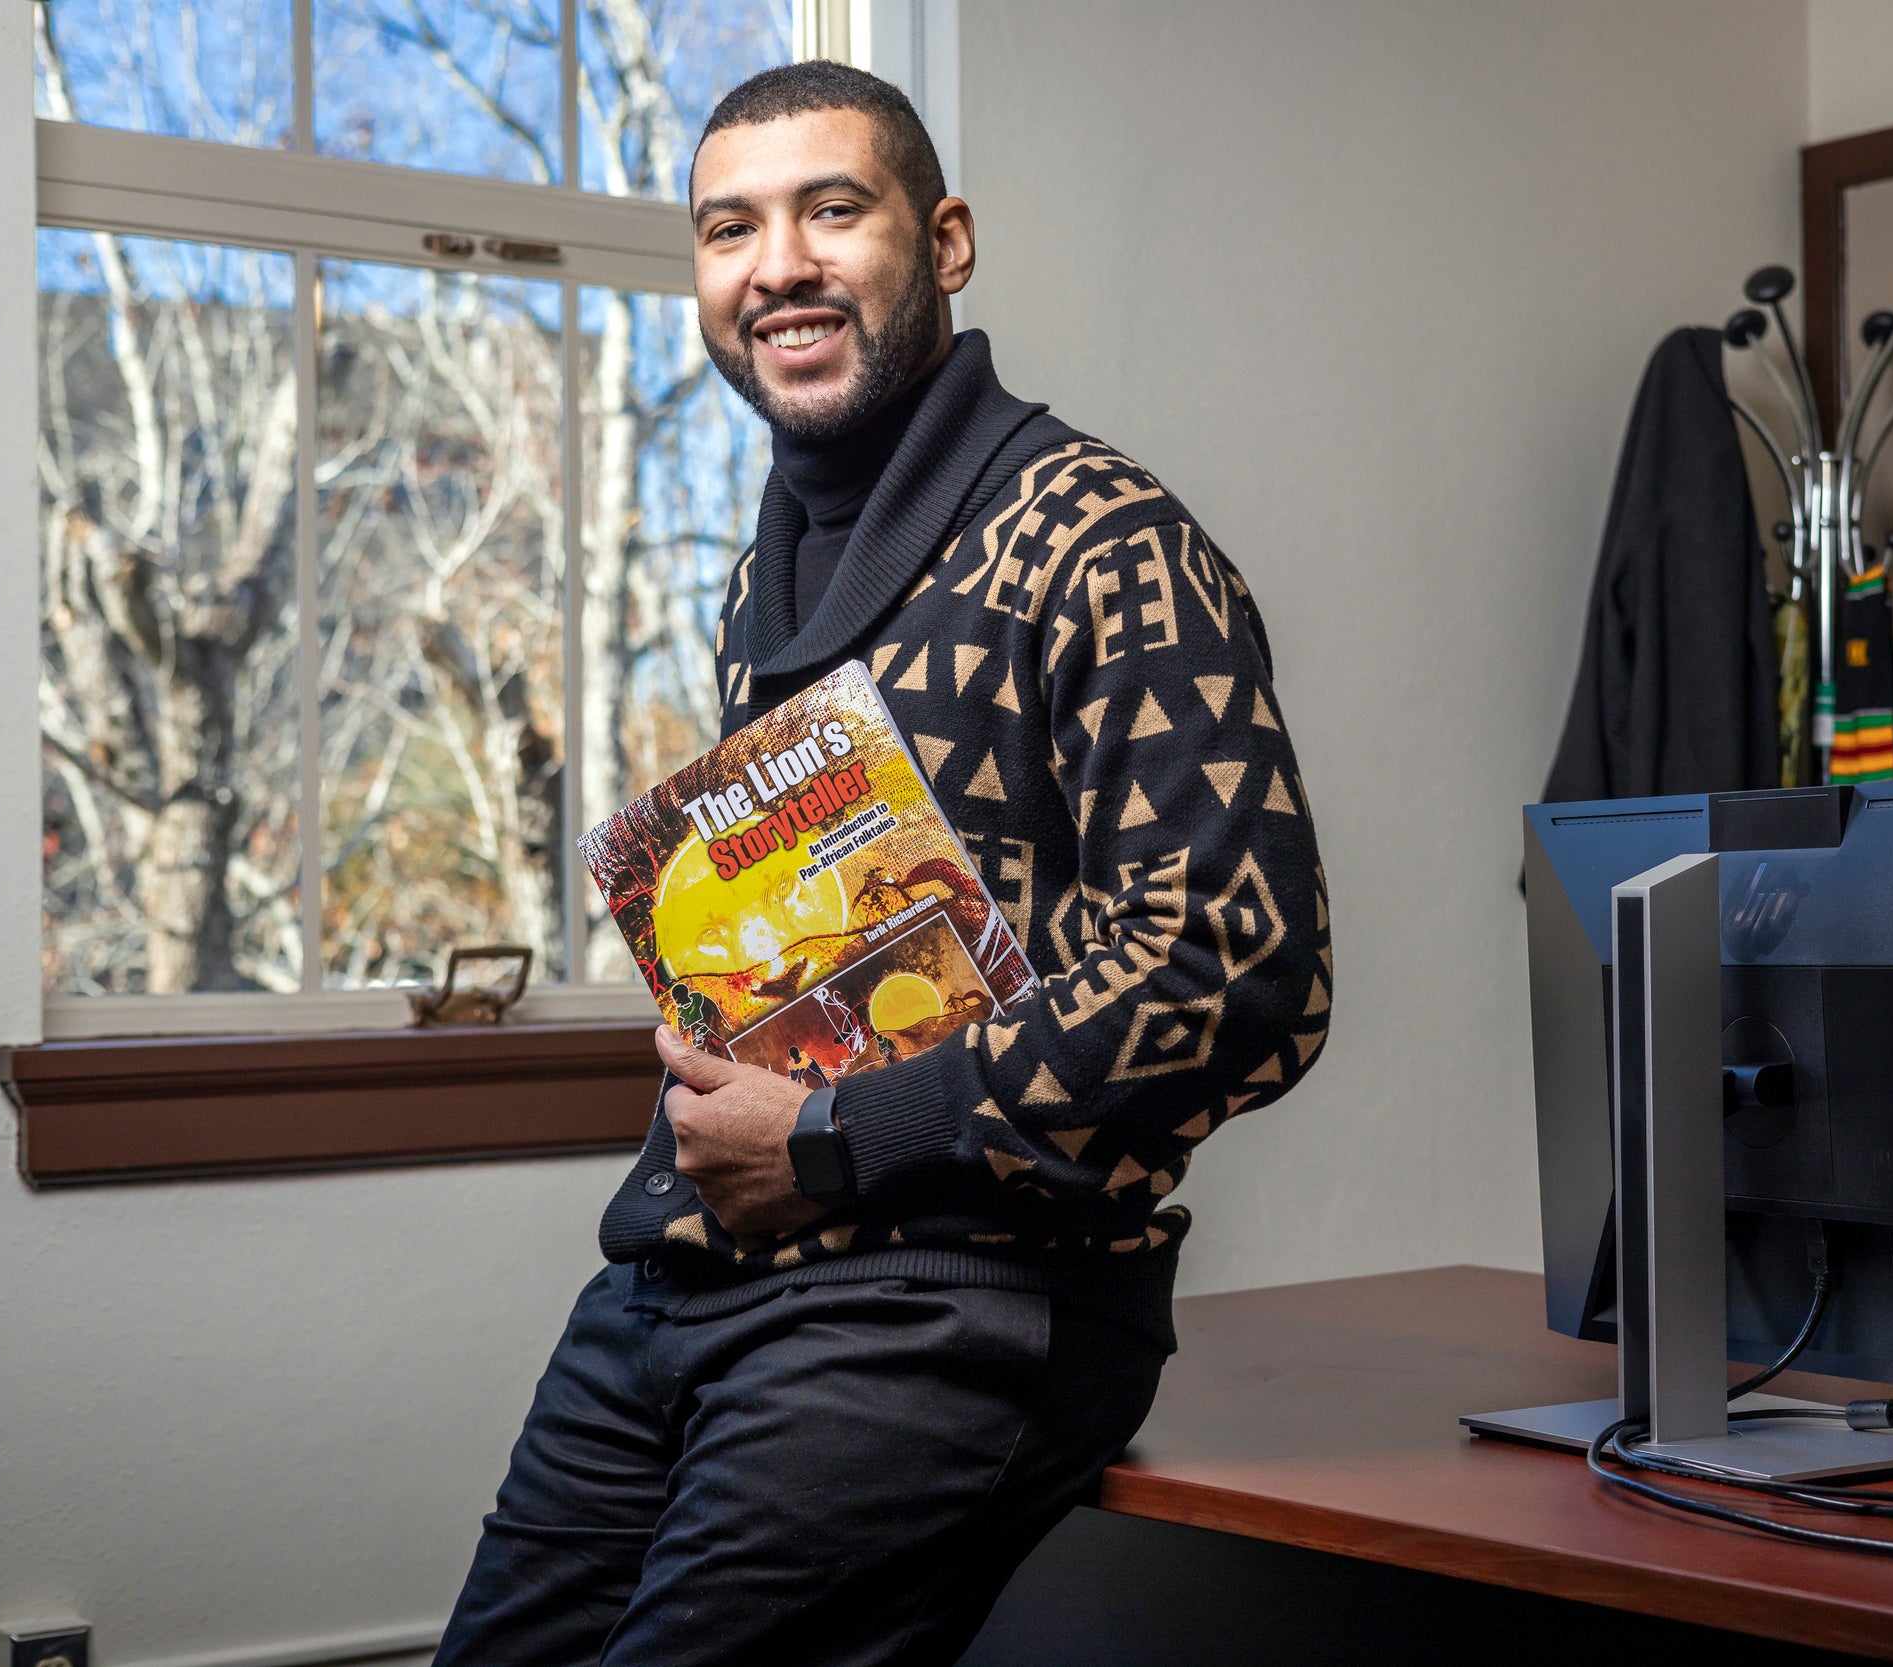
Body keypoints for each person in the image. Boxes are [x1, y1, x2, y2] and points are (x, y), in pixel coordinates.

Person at [432, 60, 1331, 1667]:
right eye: (728, 228)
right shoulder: (756, 582)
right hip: (675, 1294)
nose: (774, 262)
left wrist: (838, 1137)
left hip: (938, 1310)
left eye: (829, 209)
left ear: (946, 240)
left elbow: (1240, 971)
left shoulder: (1103, 538)